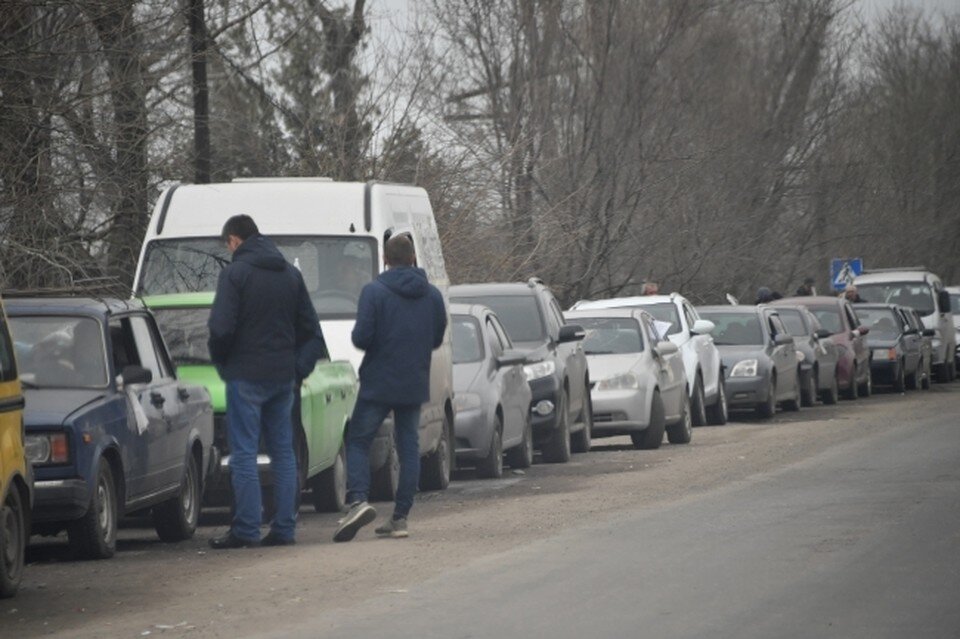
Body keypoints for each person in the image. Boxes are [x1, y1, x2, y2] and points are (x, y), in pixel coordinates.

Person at [207, 214, 325, 549]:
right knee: (283, 453)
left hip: (245, 375)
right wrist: (296, 369)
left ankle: (246, 529)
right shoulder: (291, 275)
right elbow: (312, 334)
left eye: (228, 244)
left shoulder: (235, 275)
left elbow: (221, 329)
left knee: (244, 453)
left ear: (234, 240)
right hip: (282, 378)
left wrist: (223, 361)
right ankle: (284, 529)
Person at [333, 234, 447, 542]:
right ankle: (400, 518)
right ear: (412, 258)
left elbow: (360, 338)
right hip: (413, 380)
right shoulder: (433, 296)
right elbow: (436, 338)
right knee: (409, 445)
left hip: (378, 381)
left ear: (385, 258)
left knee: (358, 439)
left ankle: (358, 501)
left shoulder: (374, 292)